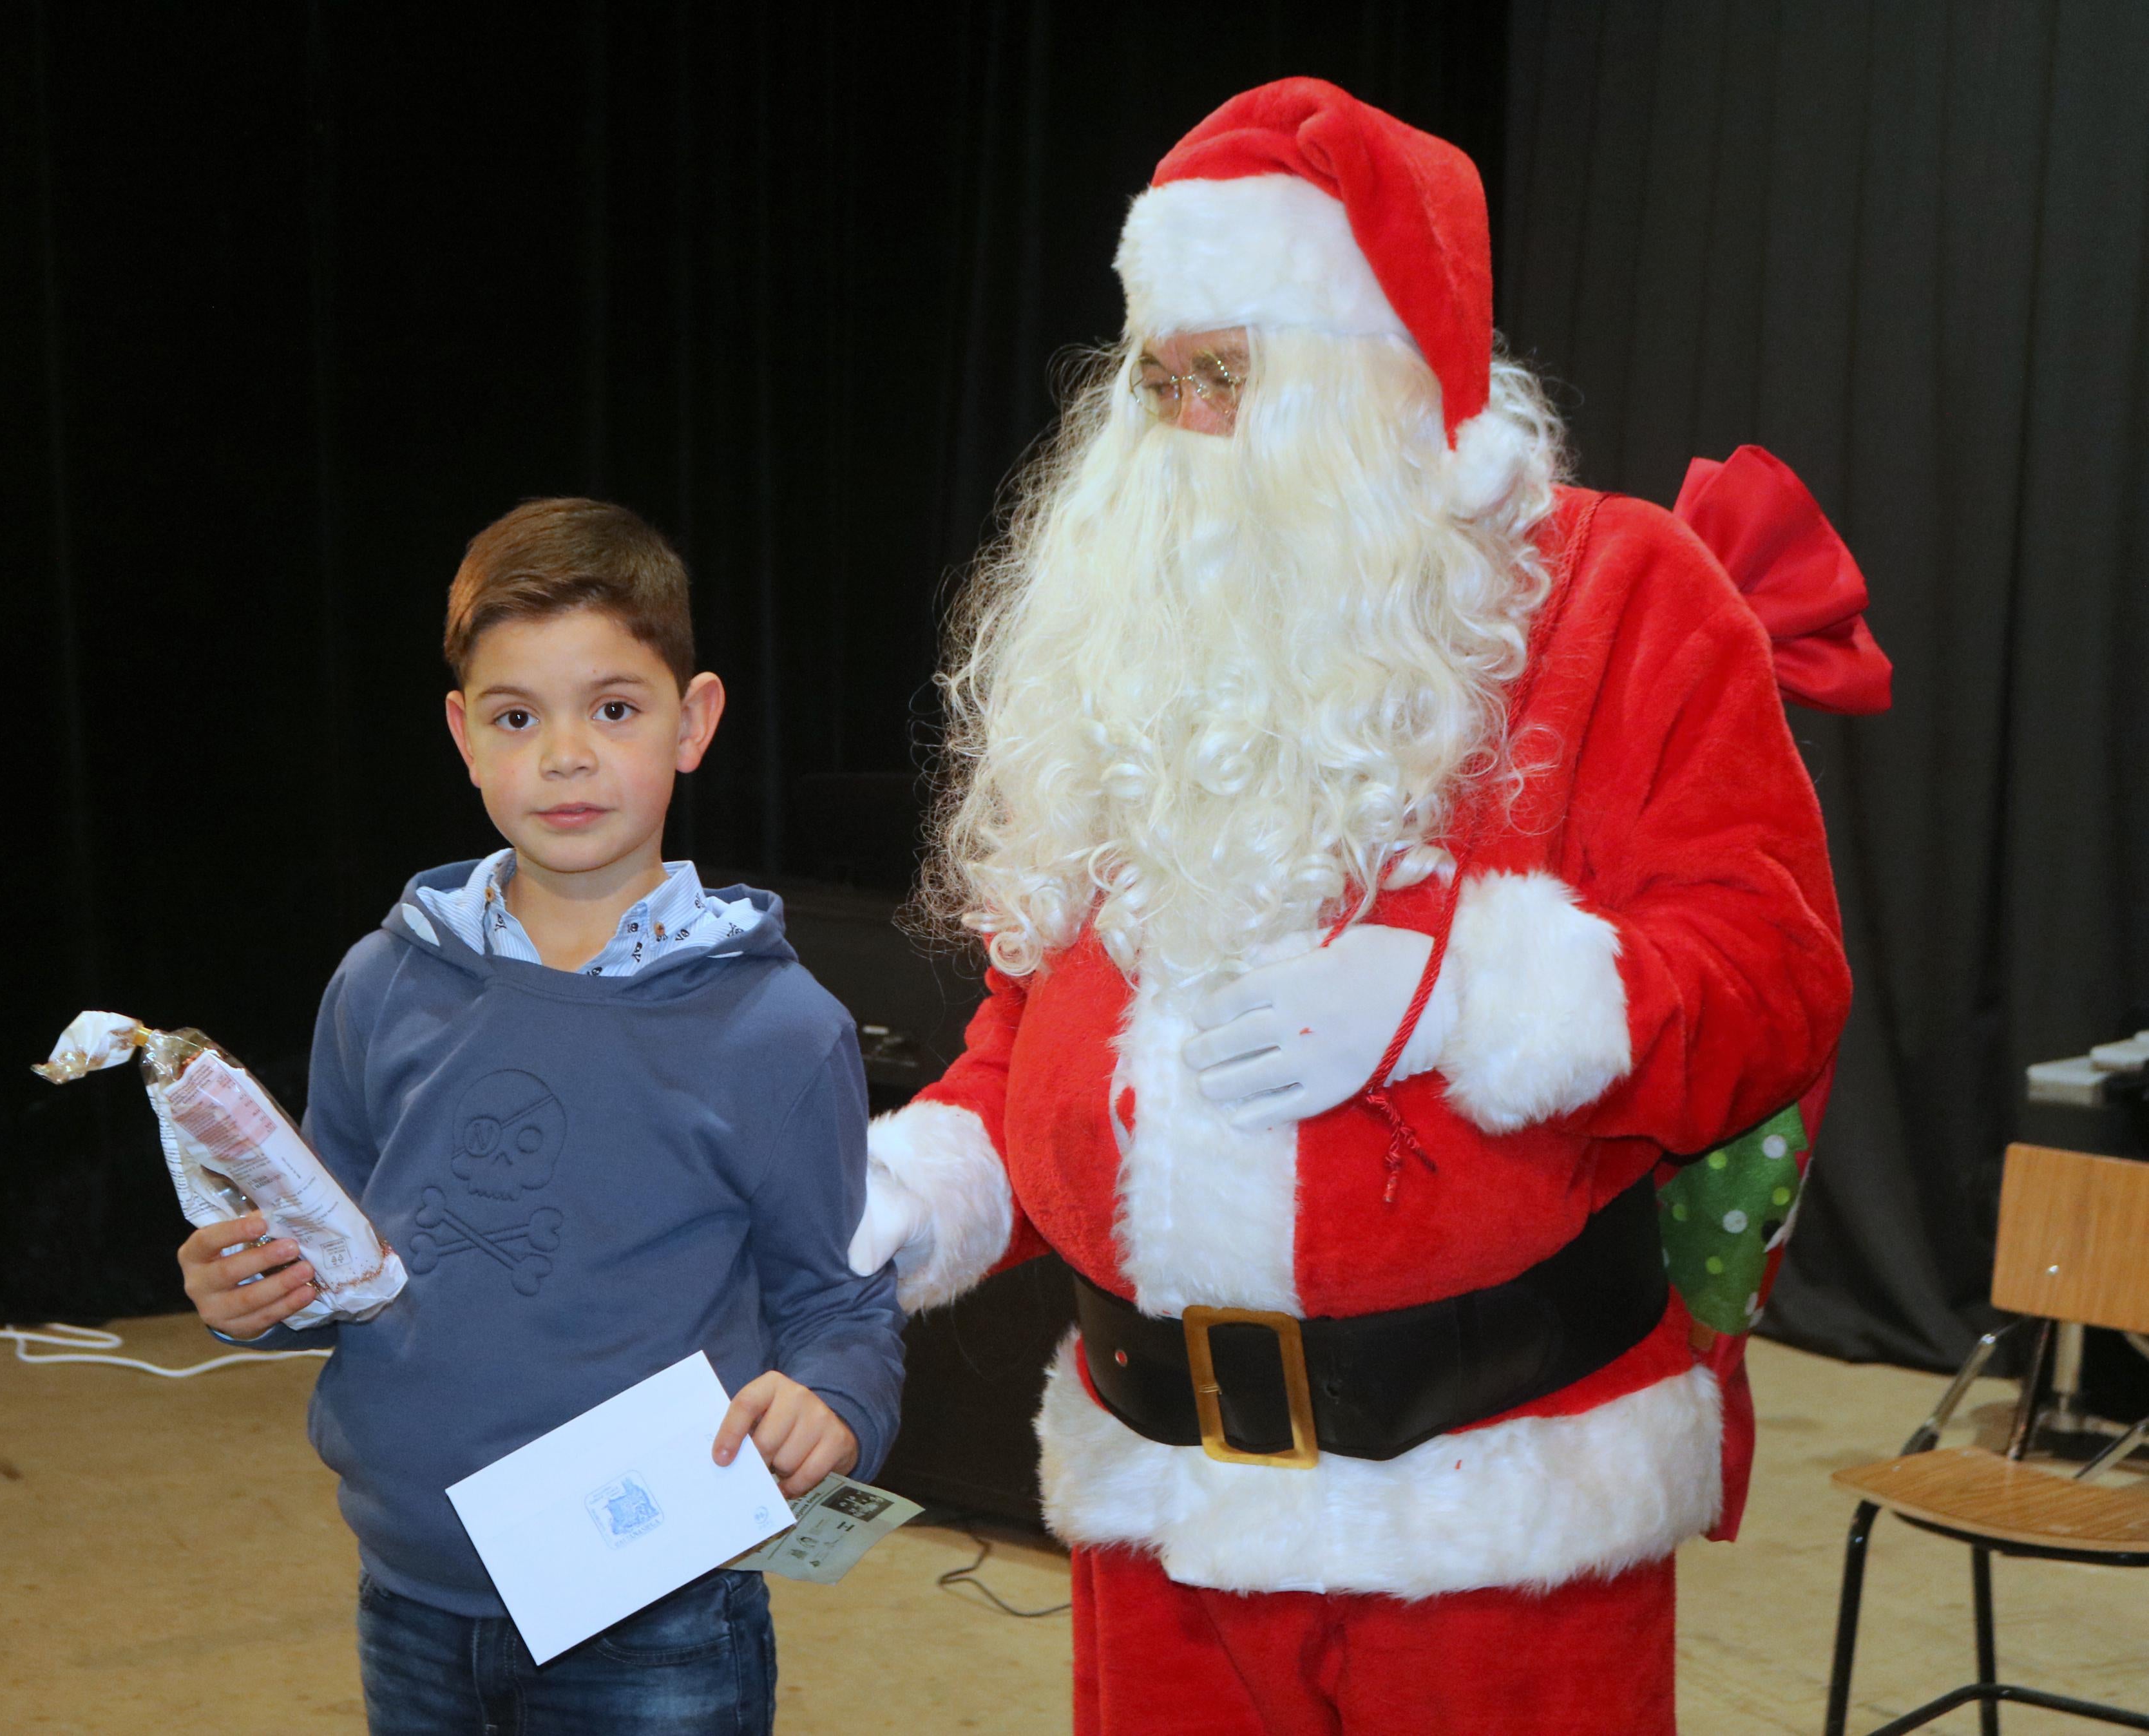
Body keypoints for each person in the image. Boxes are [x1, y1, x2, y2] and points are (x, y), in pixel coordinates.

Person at [846, 79, 1854, 1735]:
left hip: (1495, 1526)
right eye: (1157, 379)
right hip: (1158, 1509)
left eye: (1225, 375)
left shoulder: (1615, 592)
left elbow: (1769, 985)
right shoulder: (1136, 633)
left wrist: (1460, 994)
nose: (1179, 427)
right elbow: (1045, 1009)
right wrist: (939, 1174)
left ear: (1364, 371)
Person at [178, 497, 903, 1736]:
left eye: (614, 709)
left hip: (659, 1610)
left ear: (696, 722)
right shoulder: (380, 981)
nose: (564, 756)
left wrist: (835, 1401)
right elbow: (331, 1252)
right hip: (407, 1588)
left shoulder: (783, 1031)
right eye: (518, 718)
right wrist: (255, 1294)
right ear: (464, 737)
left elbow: (840, 1303)